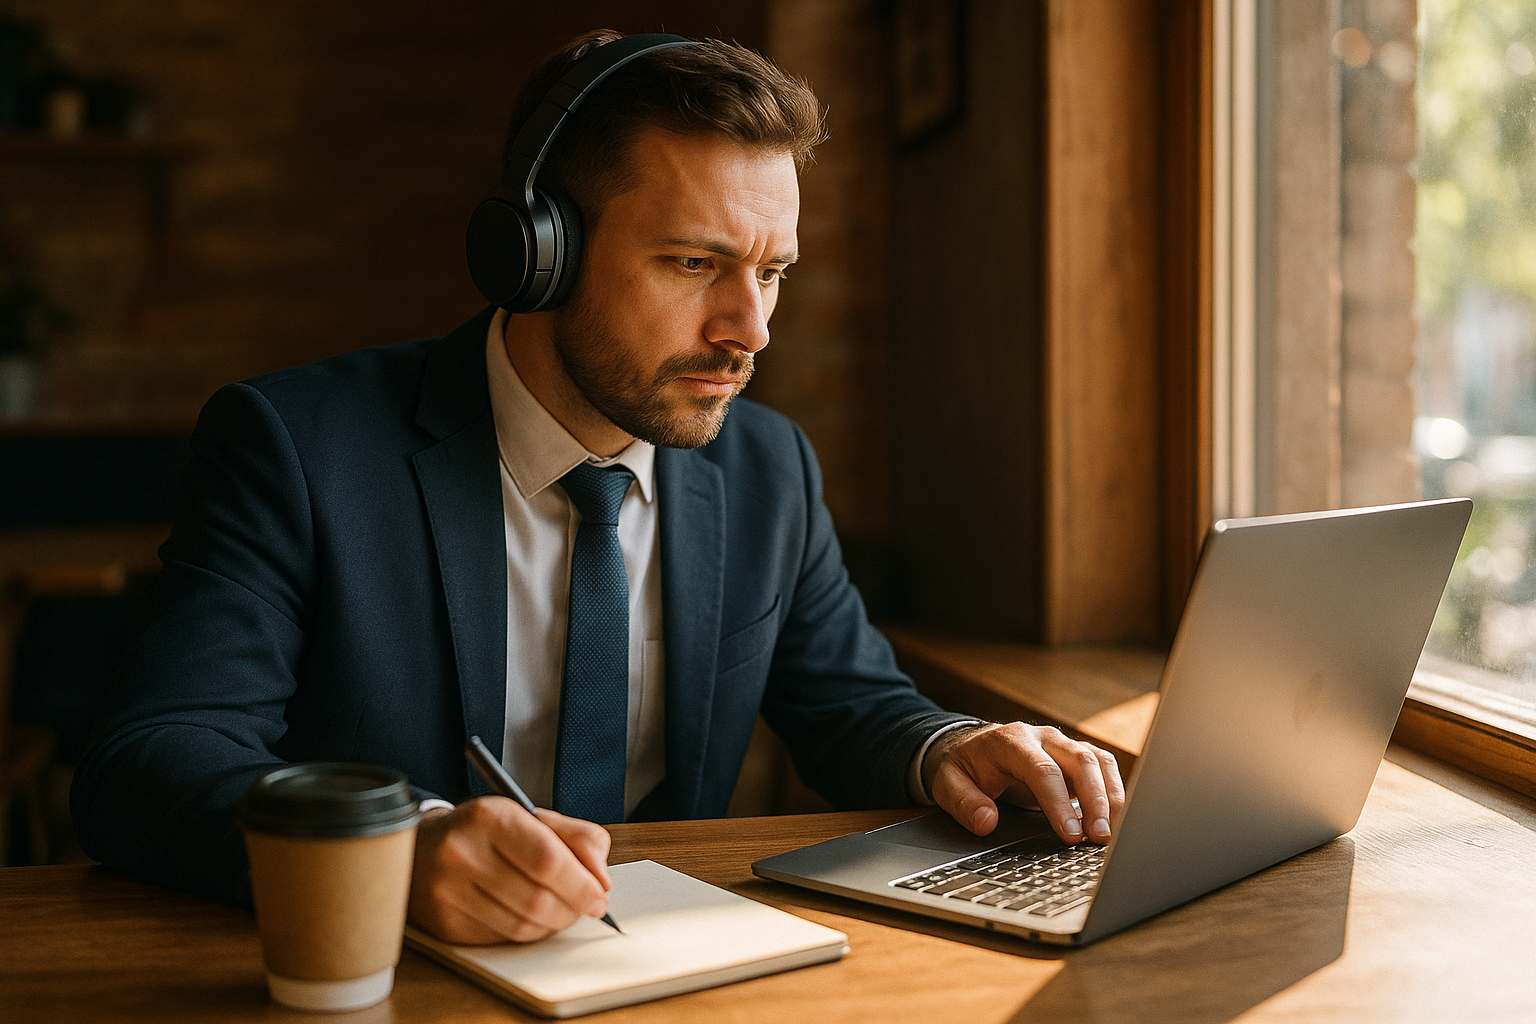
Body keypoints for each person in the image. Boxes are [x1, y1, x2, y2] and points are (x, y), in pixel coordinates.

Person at [71, 31, 1123, 946]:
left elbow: (847, 700)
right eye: (694, 263)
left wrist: (950, 746)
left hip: (665, 966)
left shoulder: (768, 468)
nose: (749, 331)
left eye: (773, 273)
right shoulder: (294, 446)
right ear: (539, 254)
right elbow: (153, 762)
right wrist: (402, 847)